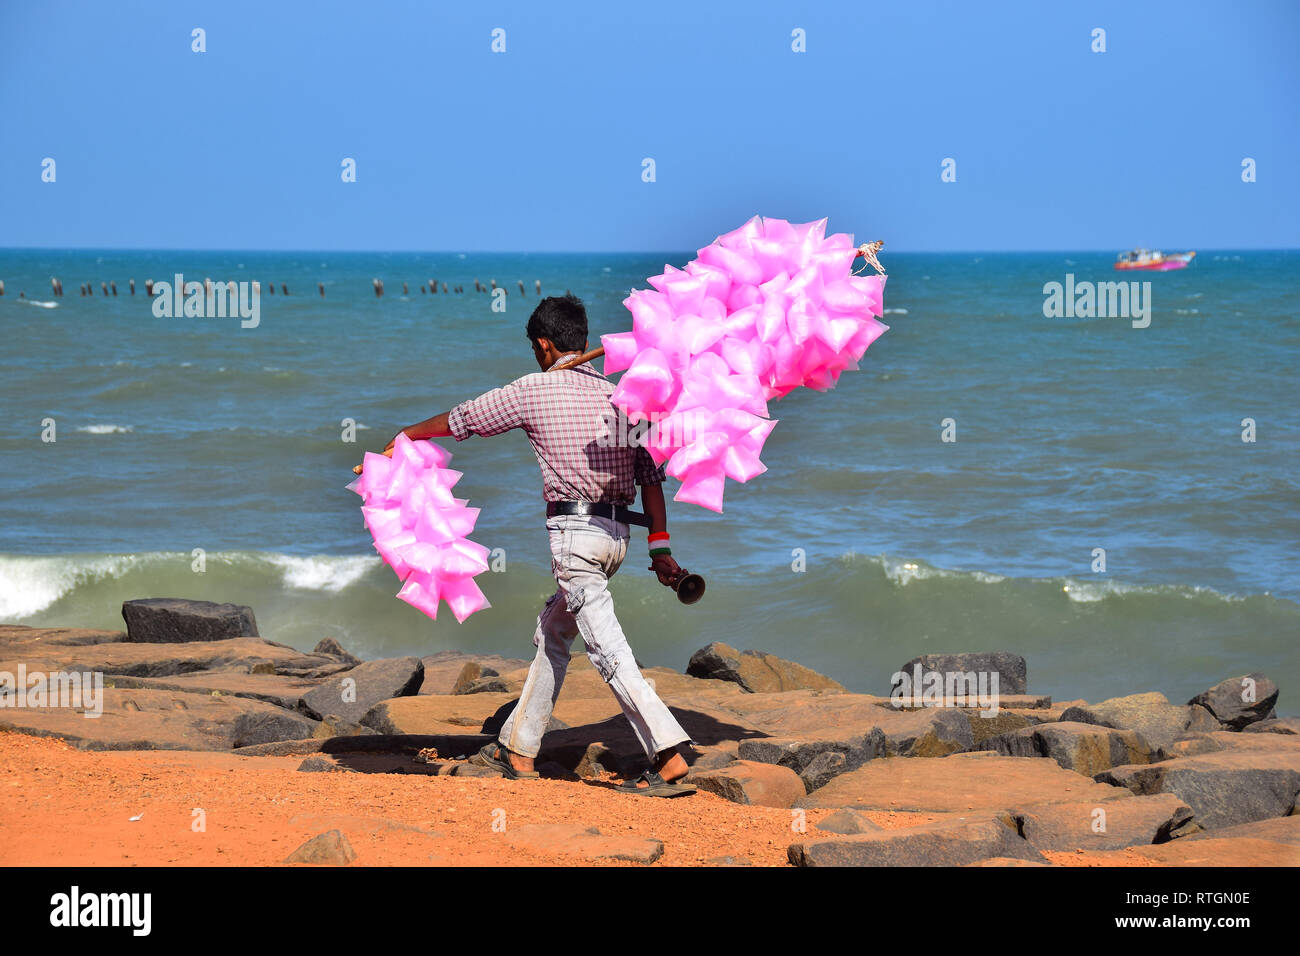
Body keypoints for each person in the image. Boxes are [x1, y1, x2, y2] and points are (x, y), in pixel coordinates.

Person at [378, 294, 696, 797]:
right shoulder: (621, 398)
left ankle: (668, 752)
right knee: (553, 634)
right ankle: (520, 750)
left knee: (607, 649)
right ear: (584, 341)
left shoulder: (534, 390)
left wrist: (406, 436)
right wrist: (661, 551)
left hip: (575, 541)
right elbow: (651, 478)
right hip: (618, 540)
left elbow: (464, 420)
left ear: (544, 345)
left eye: (535, 349)